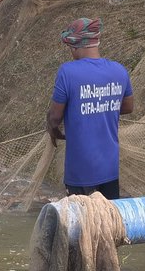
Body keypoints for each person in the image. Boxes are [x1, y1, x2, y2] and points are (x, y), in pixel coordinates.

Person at [45, 18, 133, 200]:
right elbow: (127, 107)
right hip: (109, 167)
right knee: (108, 218)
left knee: (83, 220)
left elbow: (54, 117)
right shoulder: (119, 70)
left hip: (80, 169)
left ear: (76, 46)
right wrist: (102, 107)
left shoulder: (67, 72)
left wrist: (54, 130)